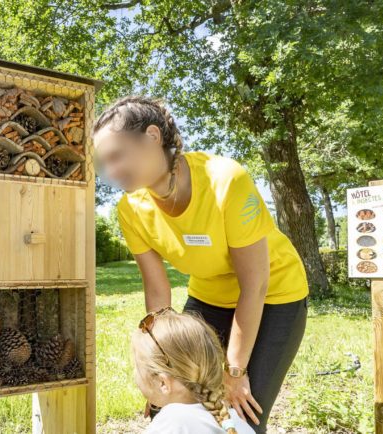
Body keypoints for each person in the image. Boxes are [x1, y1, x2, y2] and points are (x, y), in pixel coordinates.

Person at [93, 96, 308, 433]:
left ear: (152, 136)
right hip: (208, 295)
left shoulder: (226, 180)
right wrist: (159, 361)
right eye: (105, 163)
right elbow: (157, 289)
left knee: (240, 412)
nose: (111, 172)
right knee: (172, 399)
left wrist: (235, 371)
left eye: (117, 156)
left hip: (273, 295)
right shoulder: (130, 208)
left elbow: (255, 284)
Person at [132, 306, 255, 434]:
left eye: (137, 367)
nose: (135, 372)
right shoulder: (232, 421)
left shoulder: (171, 423)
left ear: (163, 383)